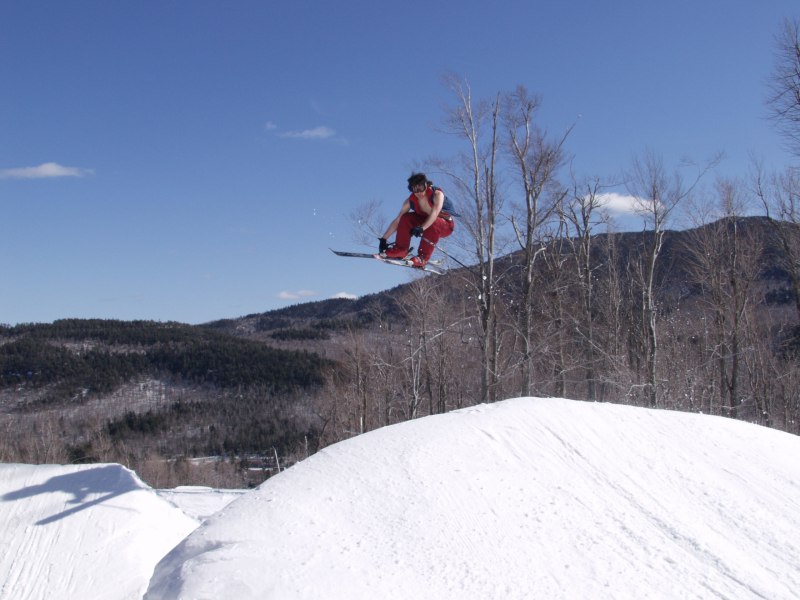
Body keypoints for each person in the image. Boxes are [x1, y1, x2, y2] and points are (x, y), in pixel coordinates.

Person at [378, 172, 455, 268]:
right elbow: (398, 220)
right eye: (414, 189)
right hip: (424, 222)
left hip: (445, 225)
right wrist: (384, 239)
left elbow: (434, 214)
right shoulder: (410, 201)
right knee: (405, 218)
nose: (418, 192)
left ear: (426, 185)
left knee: (434, 221)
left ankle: (422, 257)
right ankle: (401, 250)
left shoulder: (437, 194)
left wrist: (422, 228)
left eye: (421, 188)